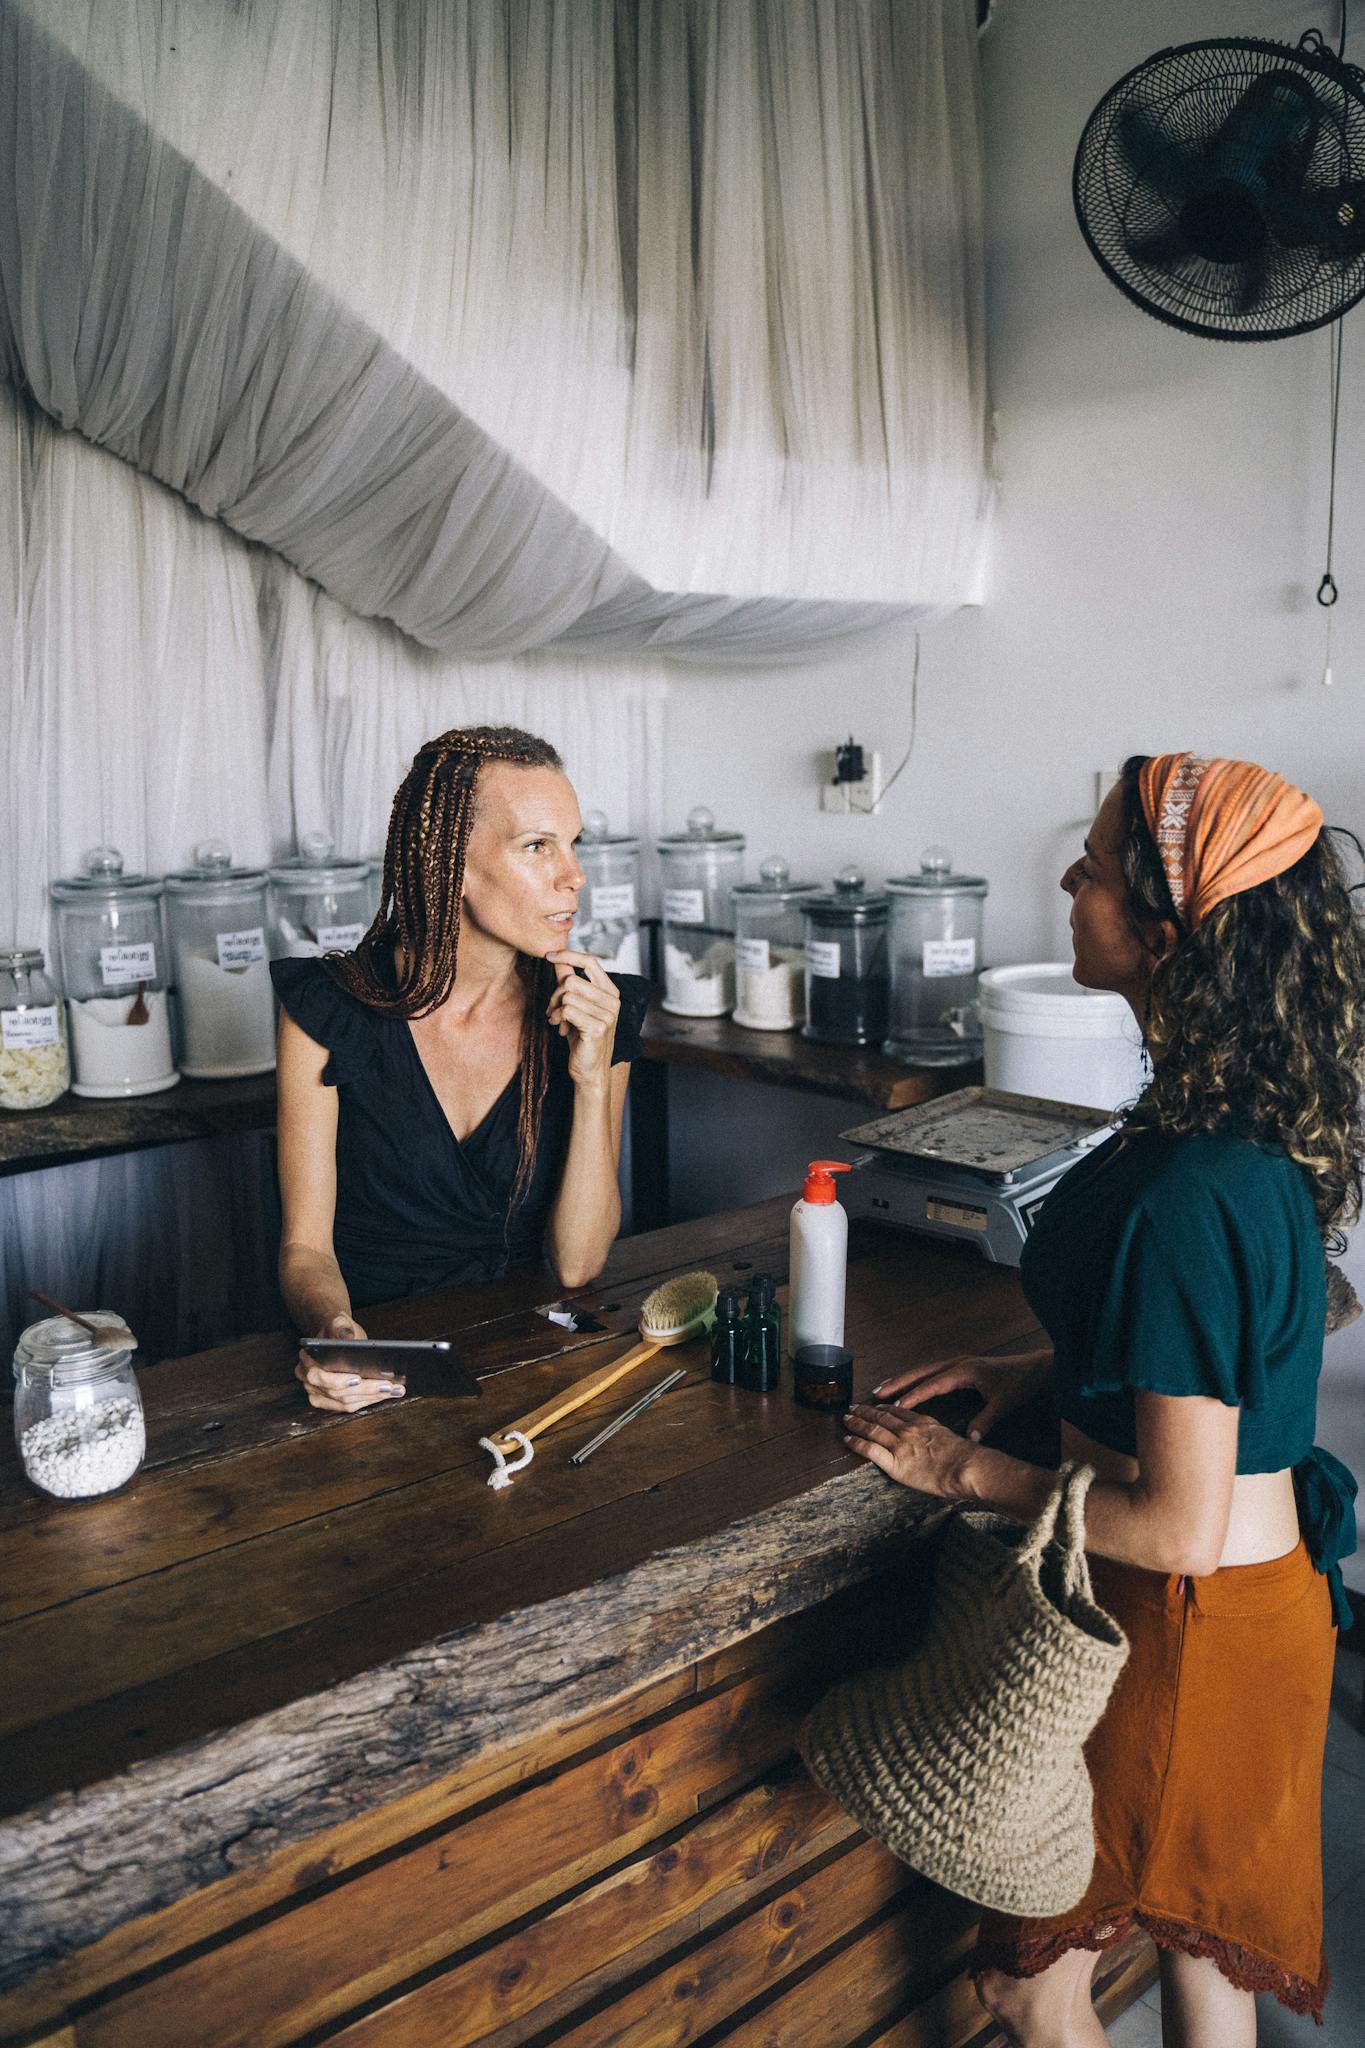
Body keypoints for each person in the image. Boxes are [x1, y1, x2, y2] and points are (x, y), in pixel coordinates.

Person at [843, 753, 1362, 2045]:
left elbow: (1175, 1524)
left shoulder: (1188, 1185)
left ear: (1174, 923)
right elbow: (1237, 1350)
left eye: (1094, 867)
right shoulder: (1232, 1129)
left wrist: (955, 1470)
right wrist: (1035, 1372)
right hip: (1247, 1615)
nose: (1067, 881)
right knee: (1205, 1973)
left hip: (1180, 1621)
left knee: (1036, 1982)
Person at [271, 725, 654, 1415]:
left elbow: (577, 1264)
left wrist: (592, 1075)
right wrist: (333, 1332)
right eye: (538, 846)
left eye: (573, 845)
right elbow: (305, 1247)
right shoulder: (326, 1007)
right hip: (373, 1366)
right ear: (447, 861)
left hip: (530, 1362)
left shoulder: (598, 1007)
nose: (574, 876)